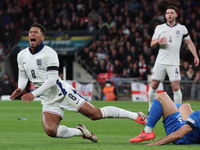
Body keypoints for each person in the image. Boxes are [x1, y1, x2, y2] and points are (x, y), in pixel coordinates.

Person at [10, 23, 147, 143]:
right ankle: (81, 132)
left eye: (36, 32)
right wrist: (20, 87)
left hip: (62, 93)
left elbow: (52, 80)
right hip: (47, 99)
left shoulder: (50, 53)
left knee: (95, 115)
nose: (32, 34)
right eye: (30, 32)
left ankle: (136, 115)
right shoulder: (22, 55)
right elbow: (23, 75)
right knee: (51, 131)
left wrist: (34, 94)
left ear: (42, 37)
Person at [148, 5, 199, 111]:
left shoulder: (182, 28)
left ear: (176, 15)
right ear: (165, 15)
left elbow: (189, 43)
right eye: (167, 13)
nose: (169, 15)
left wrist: (196, 56)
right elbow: (152, 44)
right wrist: (158, 41)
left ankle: (177, 112)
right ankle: (150, 110)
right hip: (161, 61)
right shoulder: (159, 28)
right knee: (154, 85)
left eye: (172, 13)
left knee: (175, 87)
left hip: (174, 62)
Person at [129, 92, 200, 145]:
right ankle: (153, 115)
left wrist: (155, 143)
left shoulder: (197, 115)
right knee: (185, 106)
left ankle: (147, 130)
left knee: (161, 96)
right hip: (191, 134)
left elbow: (179, 134)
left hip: (180, 134)